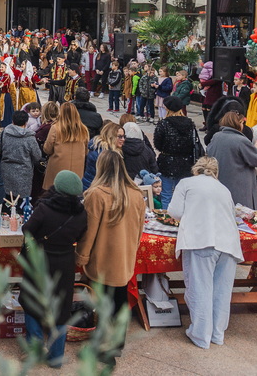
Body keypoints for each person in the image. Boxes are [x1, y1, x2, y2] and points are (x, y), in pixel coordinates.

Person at [75, 151, 144, 366]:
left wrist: (82, 257)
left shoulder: (97, 194)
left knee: (102, 306)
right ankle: (115, 345)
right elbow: (140, 230)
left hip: (102, 260)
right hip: (124, 259)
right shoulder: (135, 194)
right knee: (119, 303)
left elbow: (89, 232)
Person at [168, 157, 243, 349]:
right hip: (228, 242)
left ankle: (201, 335)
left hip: (201, 239)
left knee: (200, 288)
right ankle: (217, 334)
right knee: (221, 291)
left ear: (196, 169)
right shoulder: (223, 188)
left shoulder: (186, 183)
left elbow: (174, 212)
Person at [21, 170, 88, 369]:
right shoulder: (81, 214)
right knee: (61, 308)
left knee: (31, 301)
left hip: (41, 260)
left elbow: (27, 230)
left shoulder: (44, 208)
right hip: (65, 262)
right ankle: (56, 356)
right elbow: (79, 236)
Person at [207, 111, 257, 209]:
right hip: (239, 186)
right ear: (238, 123)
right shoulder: (241, 140)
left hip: (219, 182)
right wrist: (256, 148)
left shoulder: (216, 137)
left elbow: (209, 151)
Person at [153, 95, 201, 208]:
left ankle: (167, 218)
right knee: (183, 195)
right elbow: (194, 143)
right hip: (186, 162)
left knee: (166, 194)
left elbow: (158, 144)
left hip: (167, 162)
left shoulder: (164, 124)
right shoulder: (190, 124)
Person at [42, 102, 89, 189]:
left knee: (55, 192)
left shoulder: (55, 128)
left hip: (57, 167)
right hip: (77, 169)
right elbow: (86, 151)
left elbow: (47, 149)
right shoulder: (83, 129)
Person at [0, 110, 42, 205]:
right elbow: (37, 156)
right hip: (24, 172)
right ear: (26, 122)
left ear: (13, 121)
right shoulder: (30, 138)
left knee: (7, 200)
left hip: (6, 170)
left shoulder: (4, 133)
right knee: (22, 202)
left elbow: (0, 150)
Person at [83, 122, 125, 191]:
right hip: (94, 189)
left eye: (124, 136)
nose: (123, 139)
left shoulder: (99, 149)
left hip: (91, 186)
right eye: (120, 136)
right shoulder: (105, 154)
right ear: (111, 136)